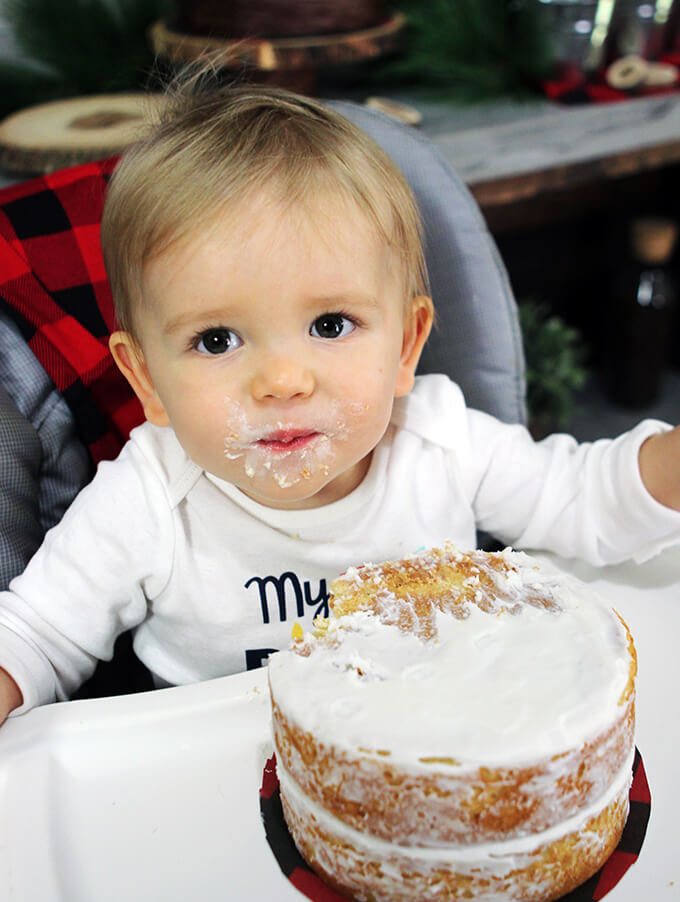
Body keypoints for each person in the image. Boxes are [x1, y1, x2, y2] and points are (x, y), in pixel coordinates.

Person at [0, 79, 679, 726]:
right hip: (217, 785)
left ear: (407, 348)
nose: (283, 381)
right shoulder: (149, 498)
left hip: (432, 750)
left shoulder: (443, 444)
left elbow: (585, 499)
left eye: (330, 325)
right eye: (216, 339)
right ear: (146, 379)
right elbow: (36, 634)